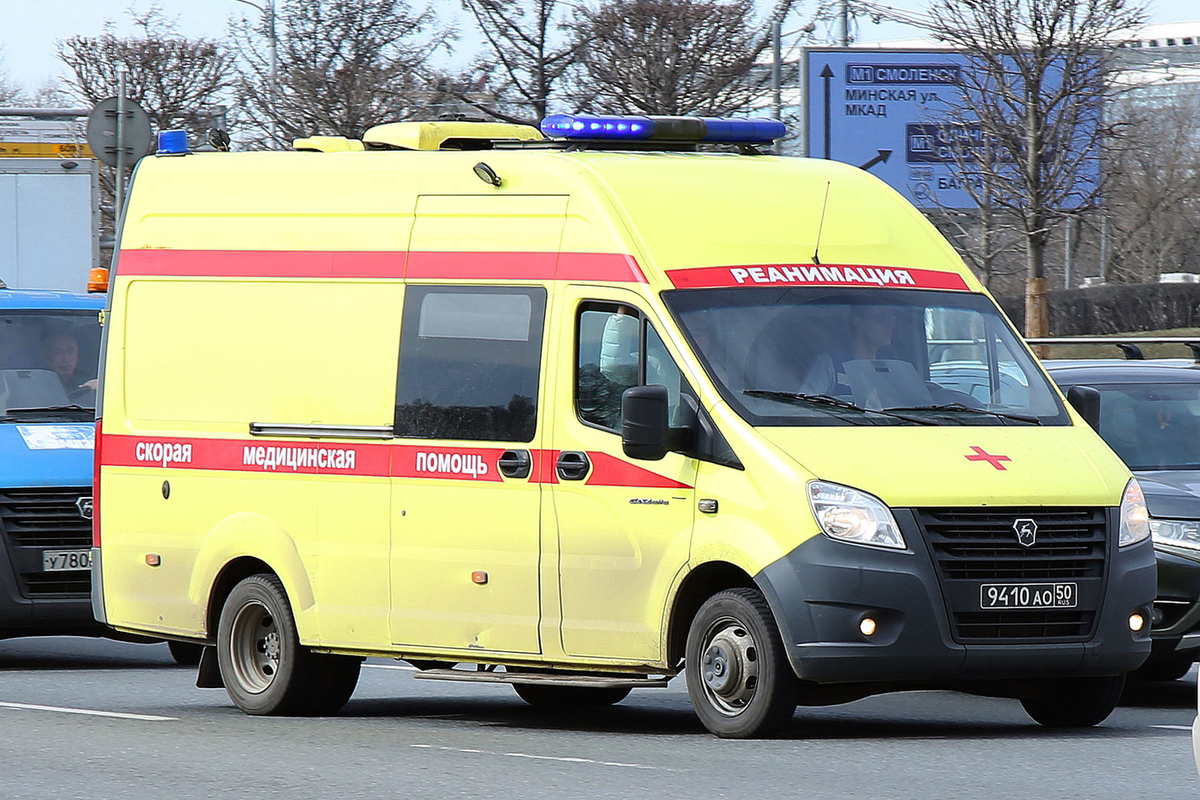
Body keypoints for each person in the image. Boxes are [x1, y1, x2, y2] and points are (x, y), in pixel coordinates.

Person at [798, 304, 896, 396]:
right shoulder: (831, 362)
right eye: (883, 319)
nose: (890, 325)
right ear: (859, 323)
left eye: (892, 319)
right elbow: (806, 403)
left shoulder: (889, 367)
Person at [44, 331, 98, 398]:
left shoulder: (88, 382)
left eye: (70, 351)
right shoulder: (39, 386)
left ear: (77, 355)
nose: (66, 359)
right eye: (58, 352)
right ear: (47, 356)